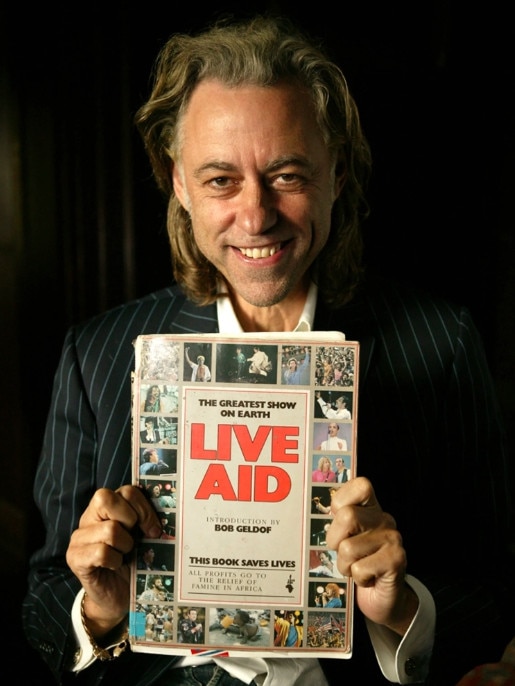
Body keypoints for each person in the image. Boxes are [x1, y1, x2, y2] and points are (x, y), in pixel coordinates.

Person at [22, 13, 513, 686]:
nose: (255, 217)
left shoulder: (441, 342)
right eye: (221, 179)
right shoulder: (99, 352)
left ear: (335, 174)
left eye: (286, 174)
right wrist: (100, 607)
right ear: (180, 184)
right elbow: (45, 589)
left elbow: (491, 587)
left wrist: (401, 609)